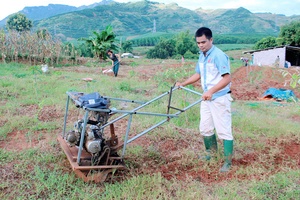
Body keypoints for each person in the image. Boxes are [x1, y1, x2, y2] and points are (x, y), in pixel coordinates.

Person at [175, 27, 234, 172]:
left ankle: (227, 162)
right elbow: (198, 74)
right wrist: (183, 83)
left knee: (223, 130)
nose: (201, 45)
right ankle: (211, 154)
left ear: (211, 40)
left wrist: (212, 91)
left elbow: (227, 78)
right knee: (205, 128)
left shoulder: (218, 55)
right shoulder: (202, 55)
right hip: (206, 98)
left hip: (219, 98)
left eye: (203, 42)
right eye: (198, 43)